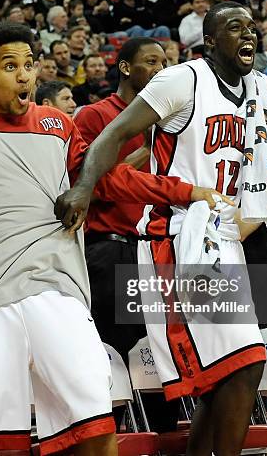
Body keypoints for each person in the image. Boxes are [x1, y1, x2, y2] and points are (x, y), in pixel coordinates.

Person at [0, 22, 216, 456]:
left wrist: (183, 191)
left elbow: (105, 178)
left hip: (58, 289)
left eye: (29, 65)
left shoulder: (58, 124)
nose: (23, 75)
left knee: (93, 421)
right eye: (9, 65)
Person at [54, 2, 267, 456]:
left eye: (253, 27)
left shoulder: (256, 86)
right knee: (248, 363)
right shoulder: (182, 79)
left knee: (223, 378)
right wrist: (82, 187)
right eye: (235, 28)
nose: (249, 34)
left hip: (221, 236)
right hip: (175, 236)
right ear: (210, 42)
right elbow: (112, 135)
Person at [75, 36, 181, 434]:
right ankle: (115, 439)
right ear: (124, 68)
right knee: (117, 358)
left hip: (157, 251)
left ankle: (165, 439)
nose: (161, 69)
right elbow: (92, 179)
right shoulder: (96, 115)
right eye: (151, 61)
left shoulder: (172, 117)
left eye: (165, 61)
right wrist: (148, 144)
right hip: (113, 249)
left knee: (159, 357)